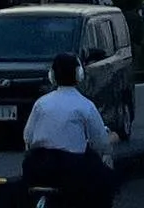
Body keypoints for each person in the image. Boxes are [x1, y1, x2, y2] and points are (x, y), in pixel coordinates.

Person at [22, 52, 117, 208]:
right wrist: (111, 139)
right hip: (71, 170)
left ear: (52, 75)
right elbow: (101, 143)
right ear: (79, 74)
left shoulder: (41, 103)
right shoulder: (85, 105)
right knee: (105, 181)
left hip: (36, 168)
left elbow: (28, 137)